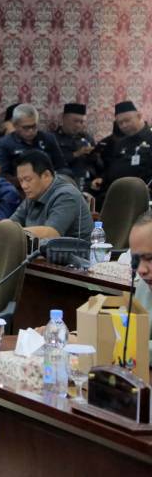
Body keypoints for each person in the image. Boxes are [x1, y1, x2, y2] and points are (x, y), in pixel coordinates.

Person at [0, 150, 93, 240]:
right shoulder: (34, 193)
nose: (24, 186)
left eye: (28, 179)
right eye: (20, 180)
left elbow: (51, 233)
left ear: (46, 175)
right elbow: (13, 222)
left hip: (74, 256)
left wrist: (7, 230)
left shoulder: (67, 195)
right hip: (42, 255)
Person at [92, 101, 152, 196]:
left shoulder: (150, 138)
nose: (124, 125)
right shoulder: (120, 143)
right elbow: (112, 167)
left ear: (139, 116)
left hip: (142, 195)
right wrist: (103, 178)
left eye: (127, 120)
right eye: (120, 123)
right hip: (117, 193)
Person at [0, 103, 66, 176]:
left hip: (49, 180)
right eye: (26, 127)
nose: (31, 131)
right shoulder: (4, 143)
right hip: (19, 181)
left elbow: (62, 167)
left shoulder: (48, 138)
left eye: (34, 126)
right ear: (15, 125)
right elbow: (3, 174)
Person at [53, 103, 97, 187]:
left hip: (89, 182)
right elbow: (54, 162)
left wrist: (96, 154)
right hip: (67, 183)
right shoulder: (53, 138)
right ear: (64, 118)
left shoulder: (87, 138)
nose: (78, 125)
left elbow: (95, 164)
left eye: (82, 122)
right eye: (75, 121)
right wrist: (77, 153)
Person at [127, 212, 152, 356]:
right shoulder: (145, 284)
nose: (141, 270)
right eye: (136, 260)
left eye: (149, 258)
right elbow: (131, 333)